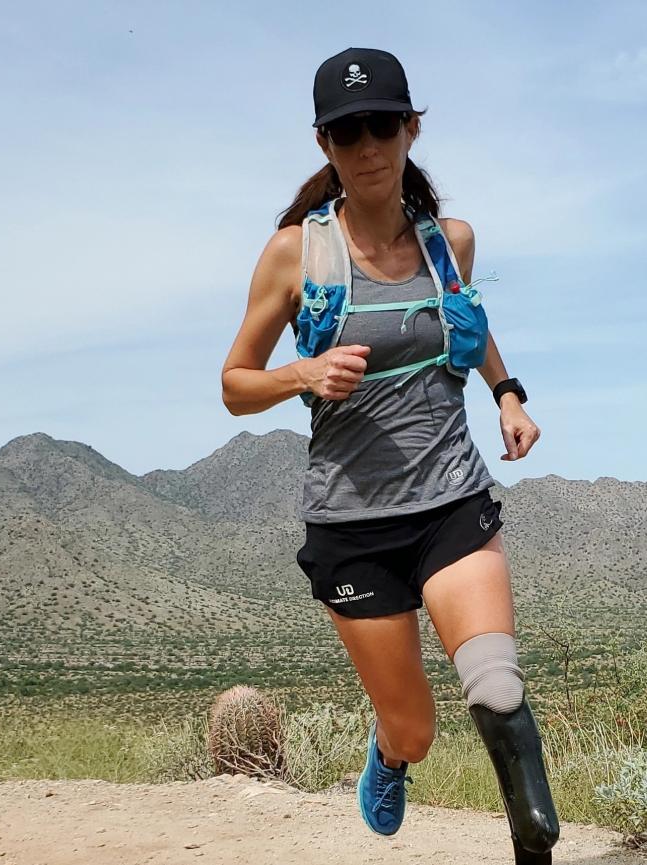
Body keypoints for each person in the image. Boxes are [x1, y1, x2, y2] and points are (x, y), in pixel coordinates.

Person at [220, 46, 559, 864]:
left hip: (451, 503)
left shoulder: (453, 243)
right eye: (347, 131)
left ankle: (535, 848)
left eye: (381, 125)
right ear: (323, 144)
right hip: (352, 526)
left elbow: (466, 322)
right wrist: (302, 372)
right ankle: (390, 751)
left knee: (499, 690)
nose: (367, 146)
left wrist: (507, 392)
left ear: (411, 128)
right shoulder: (295, 254)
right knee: (417, 726)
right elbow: (235, 384)